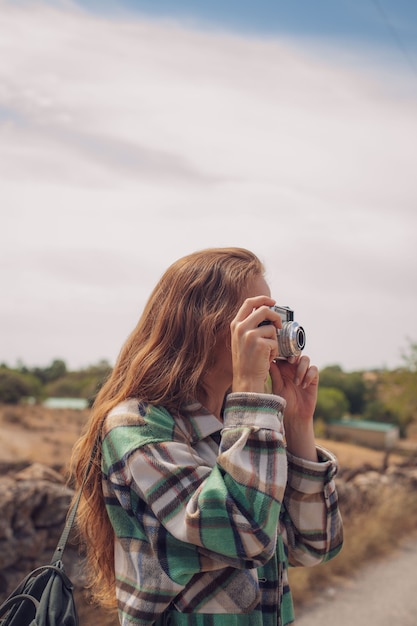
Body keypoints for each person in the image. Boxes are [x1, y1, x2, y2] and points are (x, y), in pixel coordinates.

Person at [71, 247, 343, 626]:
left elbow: (316, 546)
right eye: (257, 316)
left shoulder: (241, 426)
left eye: (274, 317)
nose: (273, 330)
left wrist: (297, 423)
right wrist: (251, 389)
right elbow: (244, 536)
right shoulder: (138, 427)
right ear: (204, 322)